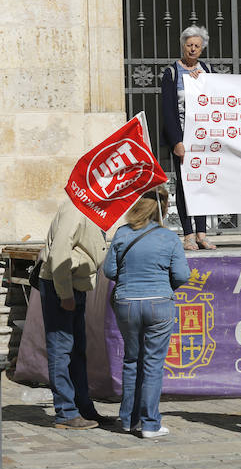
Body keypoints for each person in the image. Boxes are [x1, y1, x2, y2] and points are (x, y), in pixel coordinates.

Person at [103, 186, 189, 438]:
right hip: (159, 303)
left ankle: (129, 420)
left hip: (127, 302)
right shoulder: (169, 237)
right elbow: (182, 275)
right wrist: (163, 285)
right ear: (163, 208)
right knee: (153, 364)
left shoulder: (122, 233)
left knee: (132, 360)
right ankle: (150, 424)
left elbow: (109, 271)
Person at [36, 199, 111, 429]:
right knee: (61, 349)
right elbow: (59, 253)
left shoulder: (90, 208)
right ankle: (66, 412)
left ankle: (82, 407)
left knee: (77, 350)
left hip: (75, 285)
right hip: (62, 285)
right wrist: (65, 294)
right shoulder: (75, 209)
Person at [161, 25, 216, 251]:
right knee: (185, 185)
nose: (193, 49)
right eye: (189, 45)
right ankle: (188, 234)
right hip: (183, 137)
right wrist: (176, 141)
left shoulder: (207, 70)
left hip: (203, 138)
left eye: (197, 46)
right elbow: (168, 110)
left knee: (202, 184)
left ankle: (202, 233)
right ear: (183, 46)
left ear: (202, 49)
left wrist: (202, 81)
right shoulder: (172, 72)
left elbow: (215, 98)